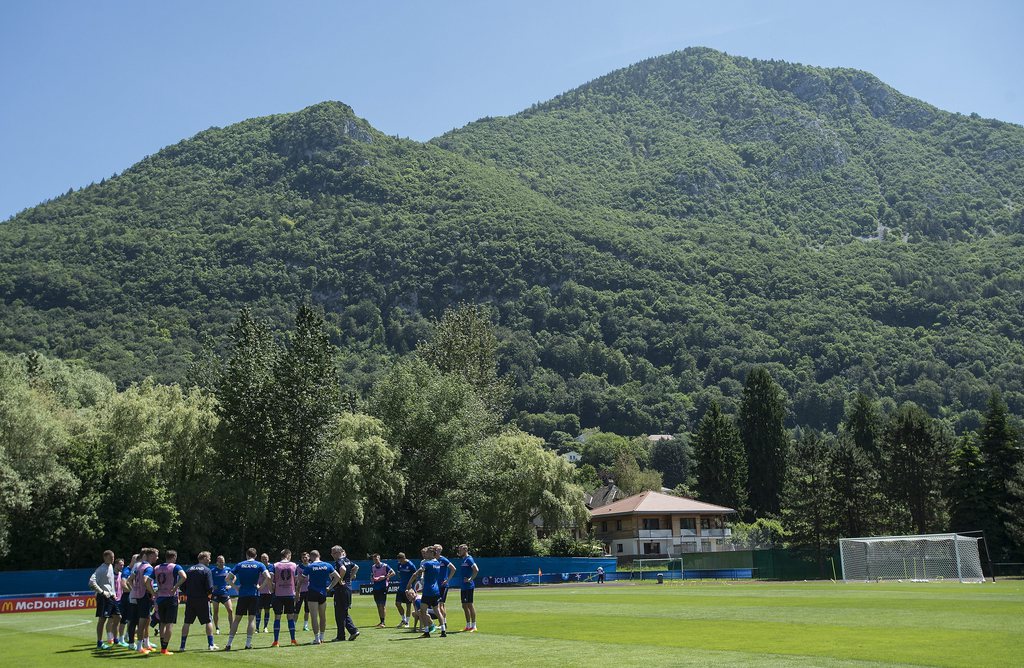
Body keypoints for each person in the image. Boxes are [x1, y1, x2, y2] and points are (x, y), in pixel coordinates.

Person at [224, 547, 268, 650]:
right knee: (251, 619)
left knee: (237, 620)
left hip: (243, 594)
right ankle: (248, 644)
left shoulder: (240, 564)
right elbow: (268, 577)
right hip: (254, 594)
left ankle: (229, 644)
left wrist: (235, 587)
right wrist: (261, 587)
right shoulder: (259, 564)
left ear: (246, 555)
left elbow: (227, 578)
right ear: (256, 556)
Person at [299, 549, 341, 645]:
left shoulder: (310, 566)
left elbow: (301, 579)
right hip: (323, 593)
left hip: (312, 592)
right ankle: (322, 637)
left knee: (314, 616)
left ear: (312, 557)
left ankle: (316, 639)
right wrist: (330, 587)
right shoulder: (327, 565)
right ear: (319, 555)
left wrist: (297, 590)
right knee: (323, 616)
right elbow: (338, 577)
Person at [180, 551, 218, 651]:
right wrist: (208, 595)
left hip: (191, 600)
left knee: (187, 622)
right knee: (208, 621)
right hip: (203, 599)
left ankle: (182, 646)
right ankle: (211, 645)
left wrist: (188, 593)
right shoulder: (207, 570)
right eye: (209, 557)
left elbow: (182, 586)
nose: (210, 560)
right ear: (204, 558)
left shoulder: (189, 570)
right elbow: (210, 587)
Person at [153, 549, 187, 655]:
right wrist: (176, 586)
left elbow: (148, 581)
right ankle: (164, 649)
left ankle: (162, 647)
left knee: (162, 623)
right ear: (174, 557)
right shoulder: (175, 567)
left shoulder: (157, 568)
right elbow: (184, 577)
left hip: (160, 597)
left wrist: (153, 592)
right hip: (170, 597)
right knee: (169, 624)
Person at [407, 546, 445, 638]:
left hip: (428, 591)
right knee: (438, 611)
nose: (425, 554)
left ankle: (427, 631)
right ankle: (443, 631)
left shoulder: (427, 564)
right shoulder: (438, 563)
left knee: (422, 611)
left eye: (427, 552)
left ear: (432, 553)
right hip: (436, 590)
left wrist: (409, 584)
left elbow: (416, 573)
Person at [126, 547, 158, 654]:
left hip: (138, 596)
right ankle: (139, 647)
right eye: (156, 555)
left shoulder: (139, 566)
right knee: (142, 622)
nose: (157, 558)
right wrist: (153, 593)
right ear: (150, 556)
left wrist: (134, 589)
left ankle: (144, 644)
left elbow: (129, 580)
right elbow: (146, 581)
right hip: (145, 596)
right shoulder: (148, 568)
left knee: (144, 620)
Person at [88, 549, 120, 649]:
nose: (113, 559)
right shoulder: (100, 569)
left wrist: (113, 593)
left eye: (113, 557)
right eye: (111, 557)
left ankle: (116, 639)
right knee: (102, 619)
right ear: (105, 557)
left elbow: (110, 583)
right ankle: (100, 642)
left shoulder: (110, 566)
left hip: (111, 597)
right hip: (103, 597)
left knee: (118, 617)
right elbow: (91, 582)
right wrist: (102, 592)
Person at [270, 548, 299, 646]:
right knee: (290, 617)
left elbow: (270, 578)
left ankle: (276, 641)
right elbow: (296, 580)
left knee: (277, 617)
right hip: (290, 594)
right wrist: (296, 591)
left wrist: (272, 588)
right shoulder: (294, 565)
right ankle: (293, 640)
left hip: (278, 594)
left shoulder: (275, 565)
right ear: (288, 555)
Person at [330, 545, 359, 641]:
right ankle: (352, 631)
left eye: (333, 553)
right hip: (348, 588)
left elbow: (343, 569)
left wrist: (340, 579)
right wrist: (350, 578)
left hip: (341, 589)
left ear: (339, 552)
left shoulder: (339, 561)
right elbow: (356, 567)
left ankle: (342, 635)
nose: (332, 555)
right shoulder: (347, 560)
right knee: (344, 612)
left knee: (339, 613)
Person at [434, 544, 456, 636]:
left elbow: (453, 568)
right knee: (439, 604)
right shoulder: (434, 560)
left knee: (440, 604)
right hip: (435, 585)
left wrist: (447, 580)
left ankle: (443, 623)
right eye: (436, 550)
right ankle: (442, 622)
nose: (437, 551)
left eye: (439, 550)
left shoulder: (443, 560)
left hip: (443, 585)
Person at [210, 554, 235, 634]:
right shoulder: (213, 570)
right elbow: (208, 579)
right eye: (220, 562)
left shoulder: (228, 569)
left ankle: (232, 628)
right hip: (215, 594)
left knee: (230, 610)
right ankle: (217, 628)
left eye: (223, 562)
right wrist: (212, 586)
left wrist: (230, 585)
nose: (222, 563)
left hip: (224, 593)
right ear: (217, 562)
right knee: (216, 611)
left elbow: (234, 577)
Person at [370, 553, 395, 628]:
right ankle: (381, 621)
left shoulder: (385, 566)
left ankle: (383, 622)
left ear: (379, 558)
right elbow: (372, 575)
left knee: (382, 605)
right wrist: (373, 578)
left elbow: (393, 573)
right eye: (374, 559)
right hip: (376, 587)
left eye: (376, 559)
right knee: (378, 605)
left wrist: (385, 577)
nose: (375, 560)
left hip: (383, 587)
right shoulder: (373, 567)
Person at [458, 544, 479, 632]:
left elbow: (476, 570)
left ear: (465, 550)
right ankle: (468, 625)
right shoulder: (463, 559)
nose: (459, 551)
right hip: (463, 586)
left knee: (470, 605)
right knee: (464, 605)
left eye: (460, 550)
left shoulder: (469, 559)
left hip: (469, 586)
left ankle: (474, 625)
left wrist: (470, 579)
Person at [393, 552, 416, 628]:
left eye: (401, 560)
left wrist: (412, 586)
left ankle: (407, 622)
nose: (400, 562)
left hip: (408, 588)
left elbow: (415, 575)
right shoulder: (399, 565)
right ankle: (403, 619)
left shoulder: (410, 565)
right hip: (401, 587)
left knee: (408, 605)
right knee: (397, 603)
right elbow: (399, 573)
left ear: (403, 558)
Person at [257, 552, 274, 633]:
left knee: (267, 610)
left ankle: (265, 627)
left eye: (265, 558)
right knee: (259, 610)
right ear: (260, 559)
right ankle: (257, 628)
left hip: (268, 592)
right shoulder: (259, 567)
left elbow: (271, 577)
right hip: (260, 592)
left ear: (268, 558)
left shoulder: (271, 566)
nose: (264, 560)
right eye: (263, 558)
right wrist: (257, 585)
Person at [296, 551, 311, 631]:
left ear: (309, 558)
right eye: (303, 557)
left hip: (309, 590)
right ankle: (293, 625)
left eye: (306, 557)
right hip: (300, 590)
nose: (305, 559)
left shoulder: (312, 566)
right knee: (297, 608)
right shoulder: (298, 567)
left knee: (307, 609)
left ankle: (305, 625)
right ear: (301, 559)